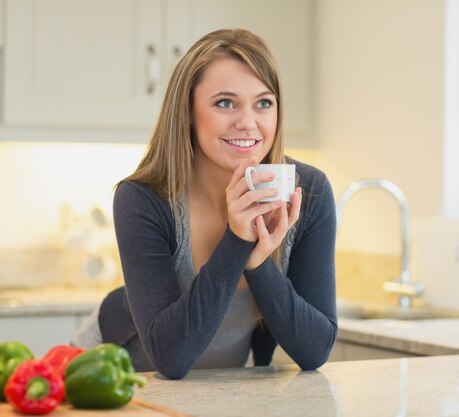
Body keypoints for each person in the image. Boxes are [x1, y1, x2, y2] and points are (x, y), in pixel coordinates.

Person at [71, 29, 337, 380]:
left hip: (215, 387)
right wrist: (238, 241)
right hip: (112, 374)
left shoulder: (309, 191)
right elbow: (170, 357)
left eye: (263, 103)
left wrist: (259, 264)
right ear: (188, 112)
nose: (248, 122)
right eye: (225, 103)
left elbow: (314, 351)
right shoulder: (143, 198)